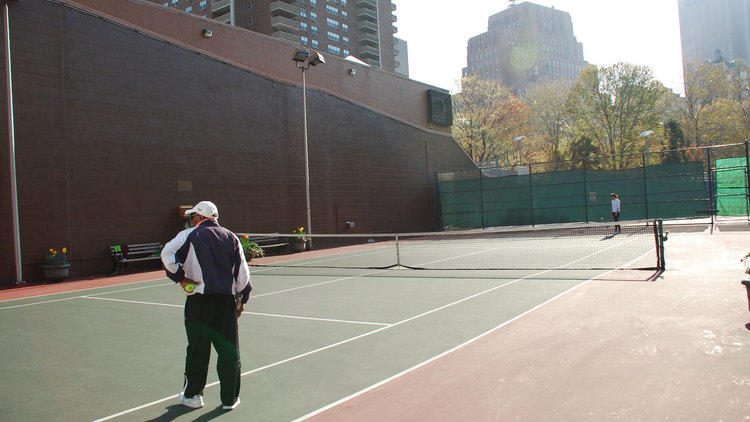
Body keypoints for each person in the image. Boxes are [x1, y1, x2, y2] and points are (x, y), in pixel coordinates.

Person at [160, 200, 252, 411]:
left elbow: (167, 254)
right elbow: (243, 275)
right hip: (224, 304)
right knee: (229, 352)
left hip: (198, 303)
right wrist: (241, 300)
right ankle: (229, 400)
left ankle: (193, 396)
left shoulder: (188, 235)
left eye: (193, 217)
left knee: (197, 350)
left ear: (200, 218)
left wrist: (181, 278)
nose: (192, 220)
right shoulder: (232, 237)